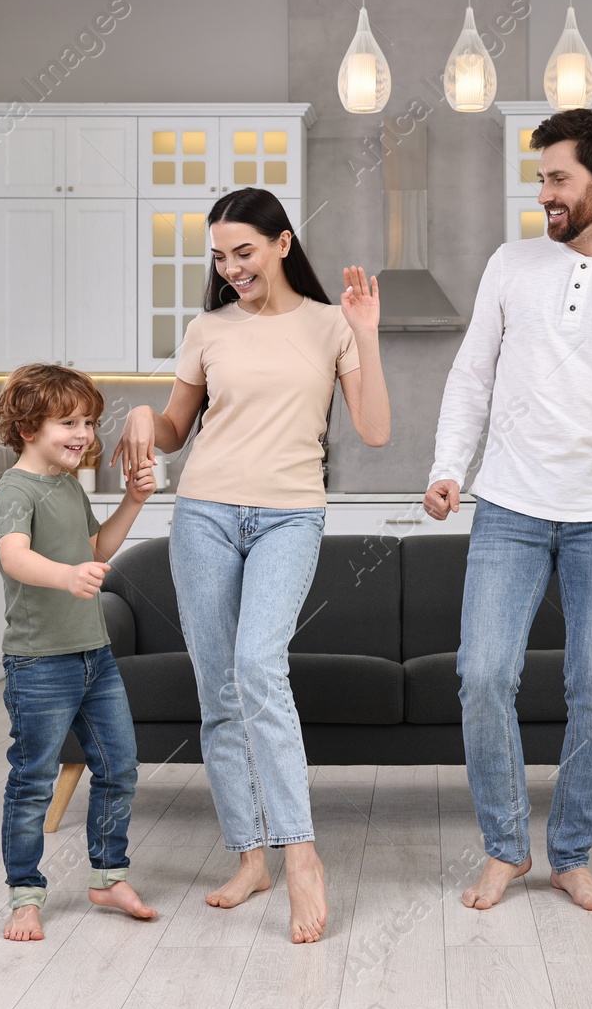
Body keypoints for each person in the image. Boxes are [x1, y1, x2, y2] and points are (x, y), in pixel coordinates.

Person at [424, 109, 592, 912]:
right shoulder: (512, 264)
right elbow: (471, 375)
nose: (543, 192)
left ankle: (571, 852)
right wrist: (448, 468)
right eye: (540, 177)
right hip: (509, 502)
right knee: (482, 675)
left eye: (557, 178)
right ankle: (506, 846)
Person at [112, 187, 390, 944]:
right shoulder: (208, 327)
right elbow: (174, 429)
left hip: (291, 514)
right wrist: (143, 416)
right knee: (218, 686)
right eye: (220, 256)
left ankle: (300, 854)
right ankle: (248, 855)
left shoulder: (332, 323)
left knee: (259, 665)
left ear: (282, 244)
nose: (232, 267)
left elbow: (372, 427)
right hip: (202, 512)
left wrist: (367, 334)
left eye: (245, 251)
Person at [0, 363, 161, 942]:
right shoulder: (15, 488)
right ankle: (24, 894)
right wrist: (66, 577)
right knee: (33, 779)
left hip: (95, 655)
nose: (85, 432)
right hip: (40, 662)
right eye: (68, 421)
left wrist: (133, 502)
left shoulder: (66, 484)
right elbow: (13, 556)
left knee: (120, 767)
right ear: (27, 427)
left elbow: (96, 546)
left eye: (87, 420)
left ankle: (109, 875)